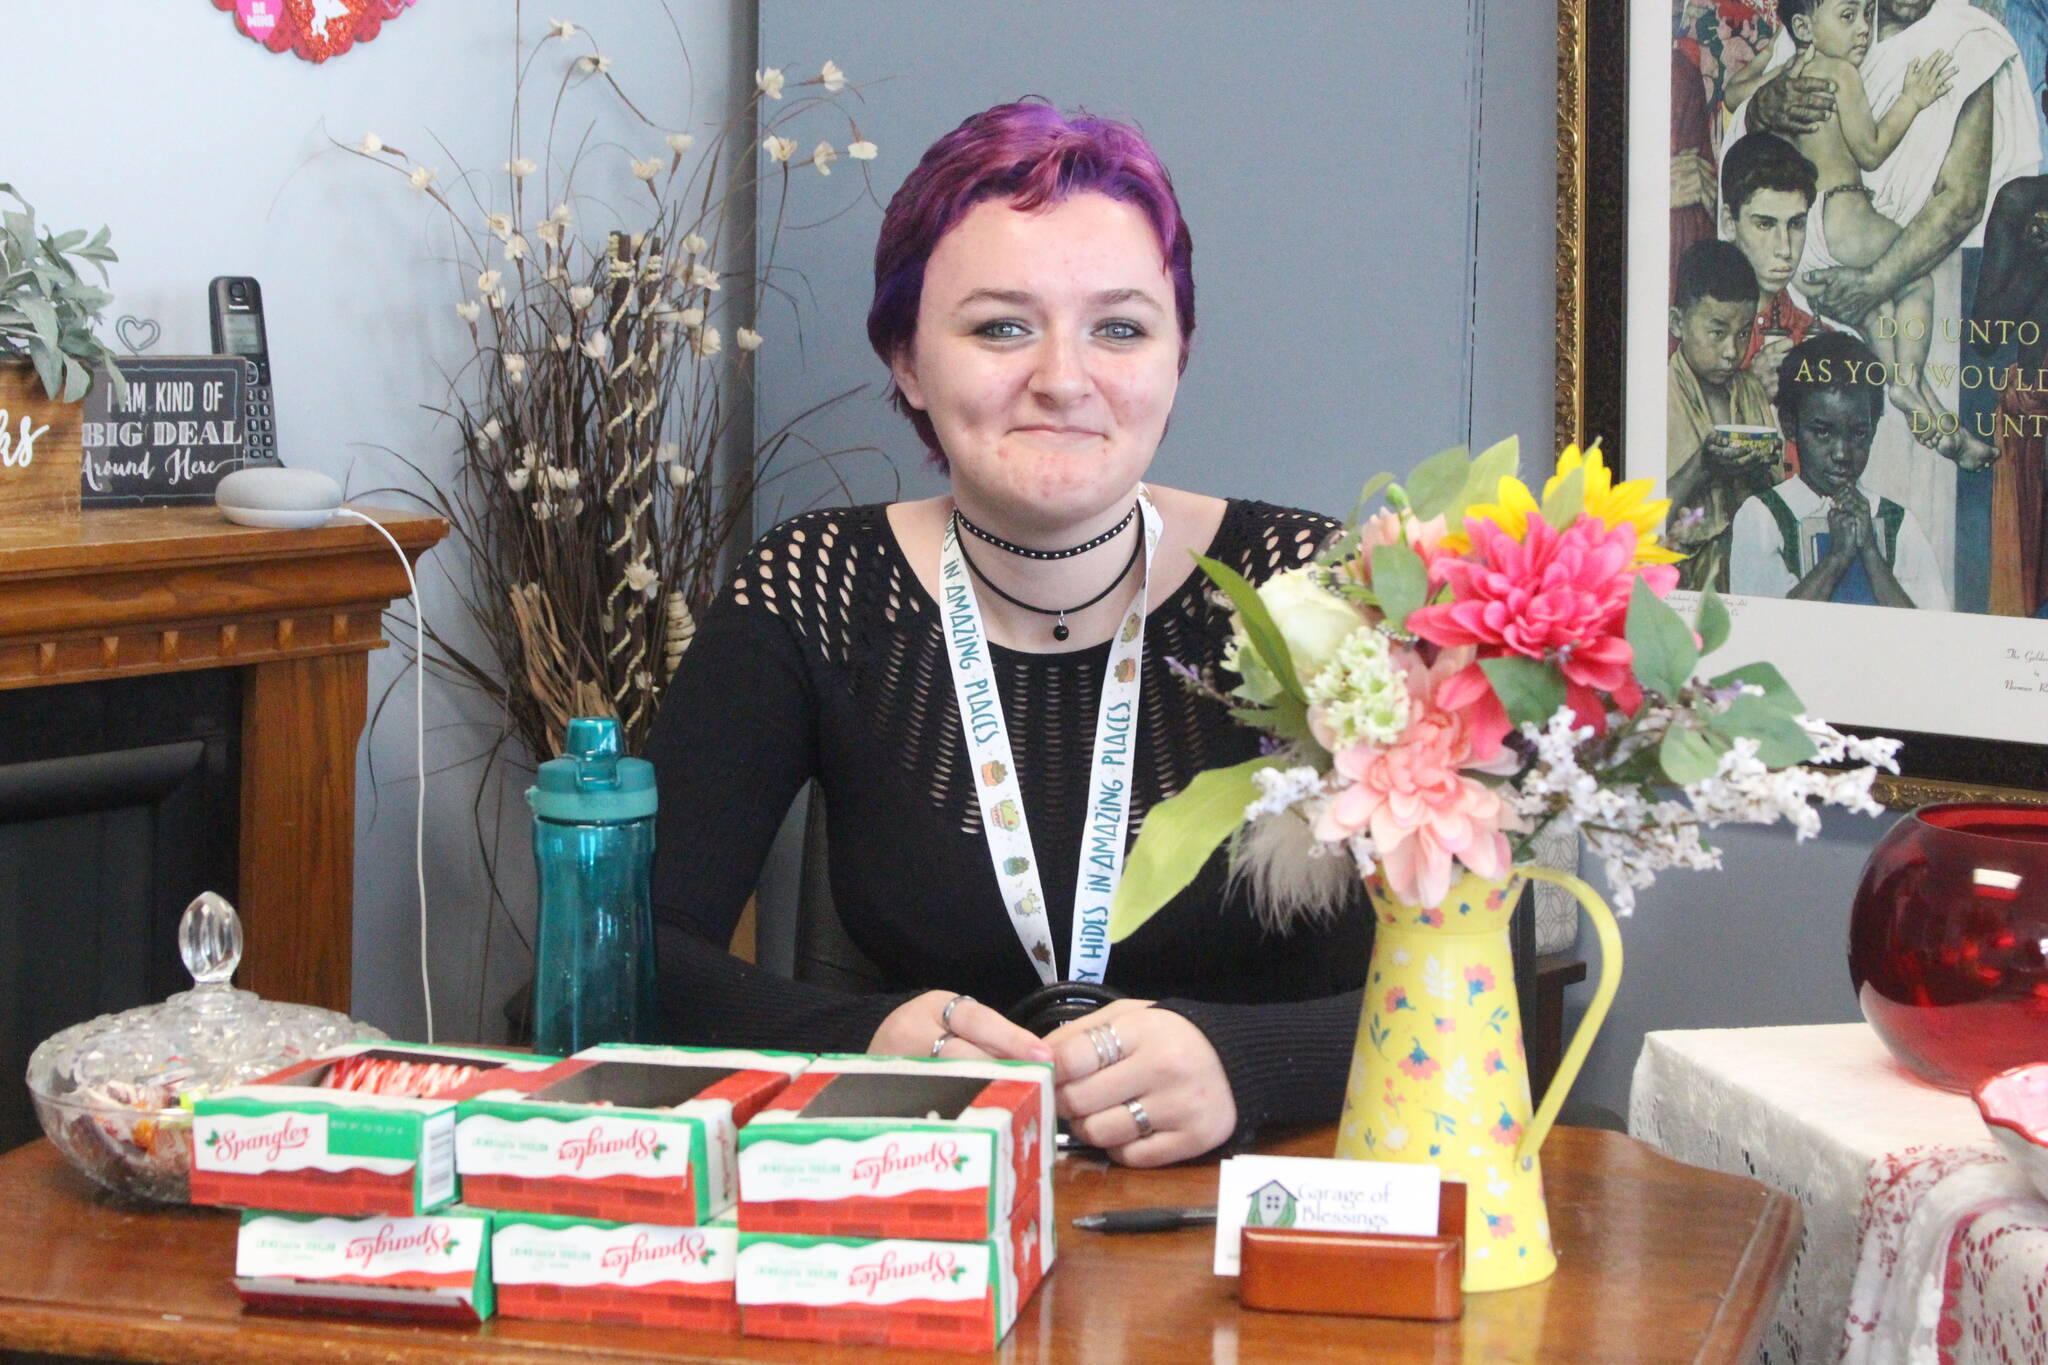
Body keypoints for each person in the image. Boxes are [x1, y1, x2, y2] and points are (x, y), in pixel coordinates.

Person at [641, 101, 1373, 1168]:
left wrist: (1249, 1063)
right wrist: (857, 1046)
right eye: (1000, 327)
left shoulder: (1312, 590)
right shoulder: (816, 587)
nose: (1064, 379)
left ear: (1177, 355)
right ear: (906, 359)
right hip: (932, 1200)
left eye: (1119, 328)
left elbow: (1478, 992)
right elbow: (621, 962)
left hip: (1267, 1211)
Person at [1730, 331, 1949, 606]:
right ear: (1789, 425)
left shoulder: (1898, 523)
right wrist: (1836, 558)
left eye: (1858, 433)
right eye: (1823, 432)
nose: (1842, 454)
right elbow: (1763, 625)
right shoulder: (1763, 516)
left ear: (1873, 429)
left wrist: (1870, 551)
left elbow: (1930, 628)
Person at [1969, 50, 2048, 617]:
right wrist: (2039, 261)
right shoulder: (2023, 203)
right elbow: (1984, 338)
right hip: (2035, 417)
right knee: (2026, 607)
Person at [1667, 240, 1783, 591]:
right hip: (1680, 586)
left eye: (1744, 333)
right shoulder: (1660, 394)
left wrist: (1758, 468)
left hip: (1749, 580)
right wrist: (1703, 465)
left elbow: (1776, 507)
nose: (1732, 351)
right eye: (1717, 333)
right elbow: (1638, 519)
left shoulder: (1751, 392)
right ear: (1677, 323)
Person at [1720, 131, 1825, 402]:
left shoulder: (1821, 341)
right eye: (1765, 224)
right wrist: (1749, 392)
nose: (1785, 248)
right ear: (1729, 223)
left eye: (1796, 224)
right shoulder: (1691, 333)